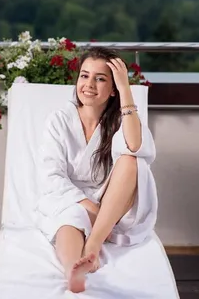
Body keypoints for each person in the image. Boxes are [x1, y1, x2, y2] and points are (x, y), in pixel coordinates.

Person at [35, 47, 157, 293]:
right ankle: (73, 269)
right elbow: (52, 176)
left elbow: (135, 145)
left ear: (113, 89)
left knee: (132, 161)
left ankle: (92, 246)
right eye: (84, 75)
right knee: (69, 219)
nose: (89, 84)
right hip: (72, 198)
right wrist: (90, 207)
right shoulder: (59, 120)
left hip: (113, 203)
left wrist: (125, 90)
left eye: (100, 78)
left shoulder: (120, 120)